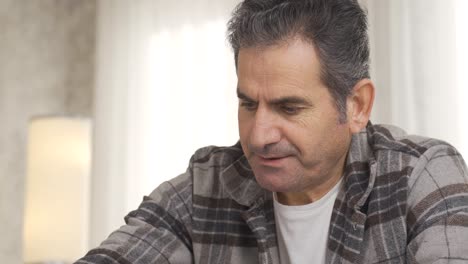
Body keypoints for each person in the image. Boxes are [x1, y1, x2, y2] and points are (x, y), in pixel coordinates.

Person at [76, 0, 468, 263]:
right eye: (248, 103)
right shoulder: (204, 189)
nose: (259, 135)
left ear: (357, 106)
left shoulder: (419, 175)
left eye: (289, 107)